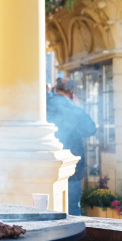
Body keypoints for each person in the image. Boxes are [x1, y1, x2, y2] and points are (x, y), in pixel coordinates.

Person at [47, 77, 96, 216]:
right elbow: (90, 129)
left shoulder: (43, 106)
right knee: (72, 210)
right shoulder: (73, 109)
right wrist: (78, 108)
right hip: (71, 169)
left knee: (46, 209)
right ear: (71, 91)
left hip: (46, 165)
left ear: (55, 89)